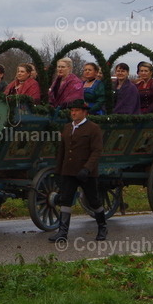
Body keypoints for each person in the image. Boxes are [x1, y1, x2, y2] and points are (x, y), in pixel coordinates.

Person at [48, 98, 108, 243]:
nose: (73, 113)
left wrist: (87, 169)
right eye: (72, 111)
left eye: (76, 111)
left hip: (86, 173)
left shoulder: (93, 128)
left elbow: (96, 151)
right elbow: (62, 151)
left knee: (94, 201)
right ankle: (62, 232)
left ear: (84, 112)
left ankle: (102, 227)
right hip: (69, 171)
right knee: (65, 201)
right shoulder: (68, 127)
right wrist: (58, 170)